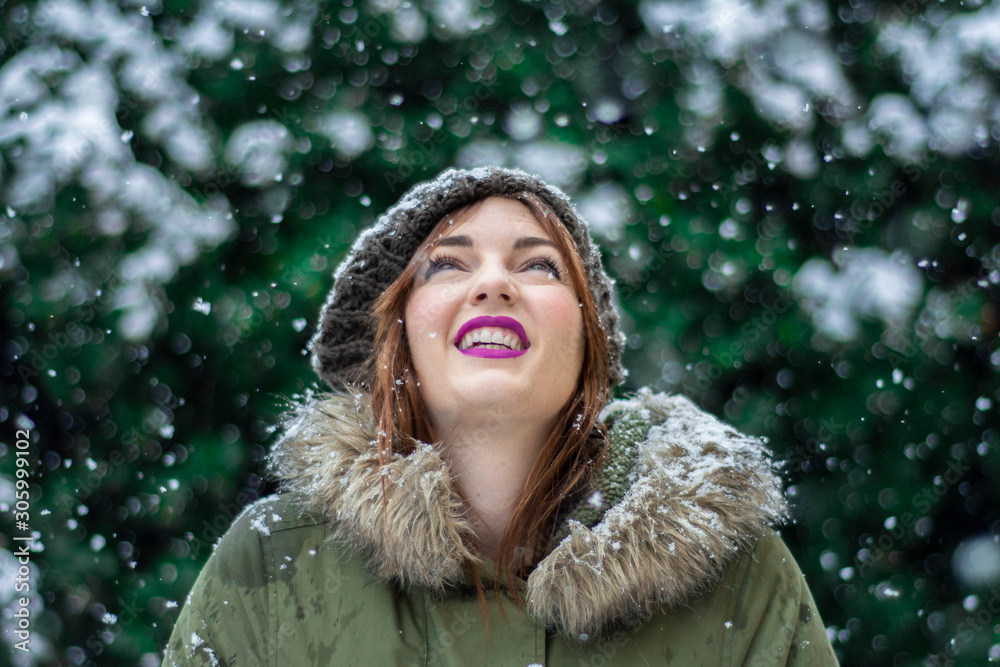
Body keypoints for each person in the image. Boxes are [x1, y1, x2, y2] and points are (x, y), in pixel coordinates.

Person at [162, 166, 838, 666]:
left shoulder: (737, 572)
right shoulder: (277, 559)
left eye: (540, 265)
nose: (493, 283)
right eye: (447, 266)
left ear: (588, 340)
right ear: (397, 334)